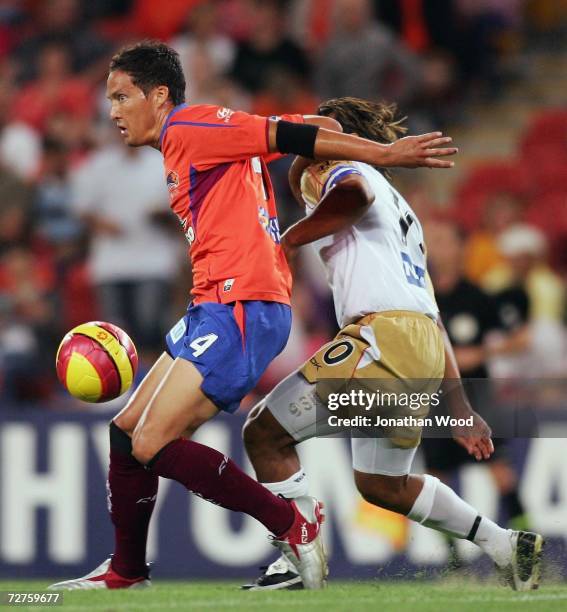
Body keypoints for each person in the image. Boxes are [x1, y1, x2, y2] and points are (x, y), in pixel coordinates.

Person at [48, 42, 456, 590]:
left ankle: (292, 522)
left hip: (241, 306)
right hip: (210, 305)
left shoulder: (192, 125)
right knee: (126, 433)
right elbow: (299, 124)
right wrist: (325, 132)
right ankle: (125, 570)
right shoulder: (186, 144)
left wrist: (382, 155)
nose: (114, 112)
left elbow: (288, 135)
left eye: (122, 97)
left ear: (160, 95)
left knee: (151, 444)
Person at [241, 97, 543, 592]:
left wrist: (286, 240)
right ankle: (505, 545)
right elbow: (432, 314)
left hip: (380, 339)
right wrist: (460, 406)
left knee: (264, 433)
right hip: (420, 343)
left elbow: (352, 194)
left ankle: (297, 564)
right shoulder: (406, 215)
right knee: (382, 483)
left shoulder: (335, 166)